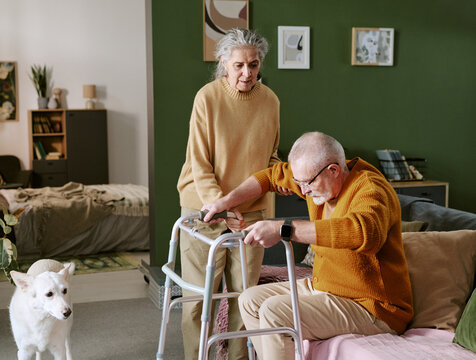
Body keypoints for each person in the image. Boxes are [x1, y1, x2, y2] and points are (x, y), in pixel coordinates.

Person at [202, 131, 414, 360]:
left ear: (333, 170)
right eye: (297, 183)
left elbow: (362, 232)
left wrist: (284, 229)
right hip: (328, 286)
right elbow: (270, 177)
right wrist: (224, 202)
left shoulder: (371, 189)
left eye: (307, 184)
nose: (303, 192)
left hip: (372, 306)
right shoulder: (316, 178)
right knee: (249, 300)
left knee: (274, 312)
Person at [176, 28, 281, 359]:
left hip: (251, 212)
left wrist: (289, 176)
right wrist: (221, 207)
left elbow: (271, 159)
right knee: (198, 298)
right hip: (205, 209)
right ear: (223, 62)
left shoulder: (271, 101)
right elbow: (199, 163)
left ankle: (237, 357)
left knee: (244, 297)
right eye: (238, 65)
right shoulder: (207, 98)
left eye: (253, 64)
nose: (247, 73)